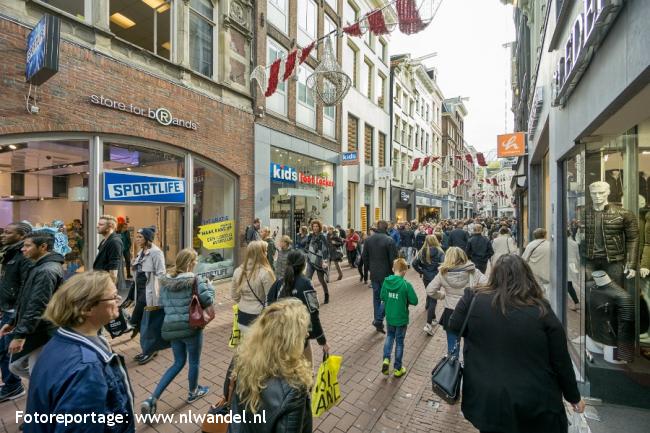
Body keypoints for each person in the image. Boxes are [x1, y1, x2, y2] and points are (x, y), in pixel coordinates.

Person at [448, 254, 585, 433]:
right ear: (526, 276)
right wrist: (573, 396)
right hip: (535, 401)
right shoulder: (541, 309)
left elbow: (454, 326)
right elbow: (560, 359)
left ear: (494, 275)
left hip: (488, 397)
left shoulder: (473, 298)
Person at [25, 271, 135, 432]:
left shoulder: (58, 343)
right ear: (87, 308)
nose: (118, 301)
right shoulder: (87, 368)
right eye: (113, 297)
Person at [141, 249, 215, 416]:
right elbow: (208, 300)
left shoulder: (165, 281)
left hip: (171, 328)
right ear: (190, 263)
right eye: (195, 261)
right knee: (194, 361)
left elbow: (162, 303)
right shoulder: (195, 280)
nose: (196, 264)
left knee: (178, 362)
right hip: (191, 328)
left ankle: (152, 398)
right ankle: (193, 392)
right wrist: (210, 287)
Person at [228, 298, 313, 433]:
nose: (307, 333)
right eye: (302, 329)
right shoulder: (294, 387)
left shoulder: (242, 357)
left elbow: (227, 393)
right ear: (288, 338)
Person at [1, 231, 64, 380]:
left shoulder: (46, 270)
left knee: (34, 372)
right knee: (16, 366)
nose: (23, 249)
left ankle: (51, 391)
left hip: (43, 330)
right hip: (38, 328)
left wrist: (20, 335)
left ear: (43, 247)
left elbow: (37, 305)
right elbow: (26, 298)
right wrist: (13, 322)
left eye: (27, 246)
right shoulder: (39, 266)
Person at [267, 250, 329, 364]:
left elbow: (268, 305)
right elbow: (313, 313)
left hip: (280, 334)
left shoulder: (279, 282)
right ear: (303, 265)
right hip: (299, 334)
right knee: (305, 370)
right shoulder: (306, 283)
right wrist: (322, 341)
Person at [426, 247, 487, 355]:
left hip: (451, 312)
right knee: (471, 346)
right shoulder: (473, 272)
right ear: (463, 256)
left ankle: (452, 367)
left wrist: (443, 296)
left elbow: (430, 290)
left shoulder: (442, 273)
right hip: (469, 311)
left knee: (452, 346)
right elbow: (487, 286)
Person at [0, 222, 32, 401]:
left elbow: (25, 288)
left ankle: (14, 385)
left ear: (21, 236)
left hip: (14, 311)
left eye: (8, 232)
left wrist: (14, 313)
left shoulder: (23, 256)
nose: (3, 235)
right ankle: (12, 383)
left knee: (7, 351)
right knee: (4, 350)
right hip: (8, 309)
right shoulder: (10, 253)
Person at [131, 226, 166, 365]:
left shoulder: (156, 252)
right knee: (142, 322)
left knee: (146, 321)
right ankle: (149, 348)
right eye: (137, 236)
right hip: (140, 290)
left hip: (149, 292)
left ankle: (150, 350)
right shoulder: (141, 252)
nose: (137, 239)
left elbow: (161, 273)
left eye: (140, 237)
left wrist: (160, 294)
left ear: (147, 238)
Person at [380, 258, 418, 378]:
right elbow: (415, 301)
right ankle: (397, 368)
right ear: (404, 271)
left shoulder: (386, 282)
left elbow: (382, 297)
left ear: (393, 269)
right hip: (401, 318)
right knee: (399, 342)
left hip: (390, 316)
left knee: (390, 336)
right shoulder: (406, 285)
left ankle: (386, 359)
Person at [231, 241, 275, 333]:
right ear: (261, 253)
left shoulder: (238, 271)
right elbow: (271, 299)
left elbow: (234, 295)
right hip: (258, 319)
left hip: (242, 317)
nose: (267, 253)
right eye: (265, 251)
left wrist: (245, 301)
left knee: (247, 345)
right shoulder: (265, 273)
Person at [363, 220, 398, 334]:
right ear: (387, 228)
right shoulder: (389, 240)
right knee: (387, 297)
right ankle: (378, 320)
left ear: (377, 227)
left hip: (374, 273)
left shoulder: (368, 240)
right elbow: (393, 259)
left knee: (377, 297)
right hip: (387, 274)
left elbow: (365, 257)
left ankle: (377, 321)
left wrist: (369, 269)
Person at [412, 235, 445, 336]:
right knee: (433, 300)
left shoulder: (422, 251)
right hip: (435, 277)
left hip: (426, 276)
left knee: (430, 294)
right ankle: (428, 324)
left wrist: (421, 271)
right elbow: (443, 265)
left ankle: (432, 317)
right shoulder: (440, 252)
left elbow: (414, 263)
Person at [93, 215, 124, 286]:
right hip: (101, 282)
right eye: (98, 224)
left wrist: (110, 289)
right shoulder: (104, 241)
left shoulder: (114, 242)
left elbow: (114, 269)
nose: (97, 226)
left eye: (101, 224)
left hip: (106, 285)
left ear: (109, 227)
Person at [304, 220, 330, 304]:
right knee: (307, 279)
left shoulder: (322, 236)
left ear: (319, 227)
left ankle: (326, 294)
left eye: (317, 226)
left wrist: (325, 261)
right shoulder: (310, 236)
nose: (315, 228)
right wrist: (306, 249)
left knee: (321, 280)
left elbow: (326, 249)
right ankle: (310, 297)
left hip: (319, 261)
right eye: (314, 226)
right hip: (310, 260)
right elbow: (307, 246)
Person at [522, 228, 551, 297]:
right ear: (545, 235)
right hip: (547, 269)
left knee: (537, 288)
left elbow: (524, 259)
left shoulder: (530, 245)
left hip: (534, 271)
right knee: (548, 289)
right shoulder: (550, 245)